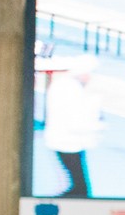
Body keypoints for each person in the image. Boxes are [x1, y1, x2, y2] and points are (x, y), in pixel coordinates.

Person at [43, 54, 102, 198]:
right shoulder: (70, 89)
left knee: (79, 185)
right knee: (80, 188)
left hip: (67, 141)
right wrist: (96, 125)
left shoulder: (66, 85)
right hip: (67, 142)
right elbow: (75, 120)